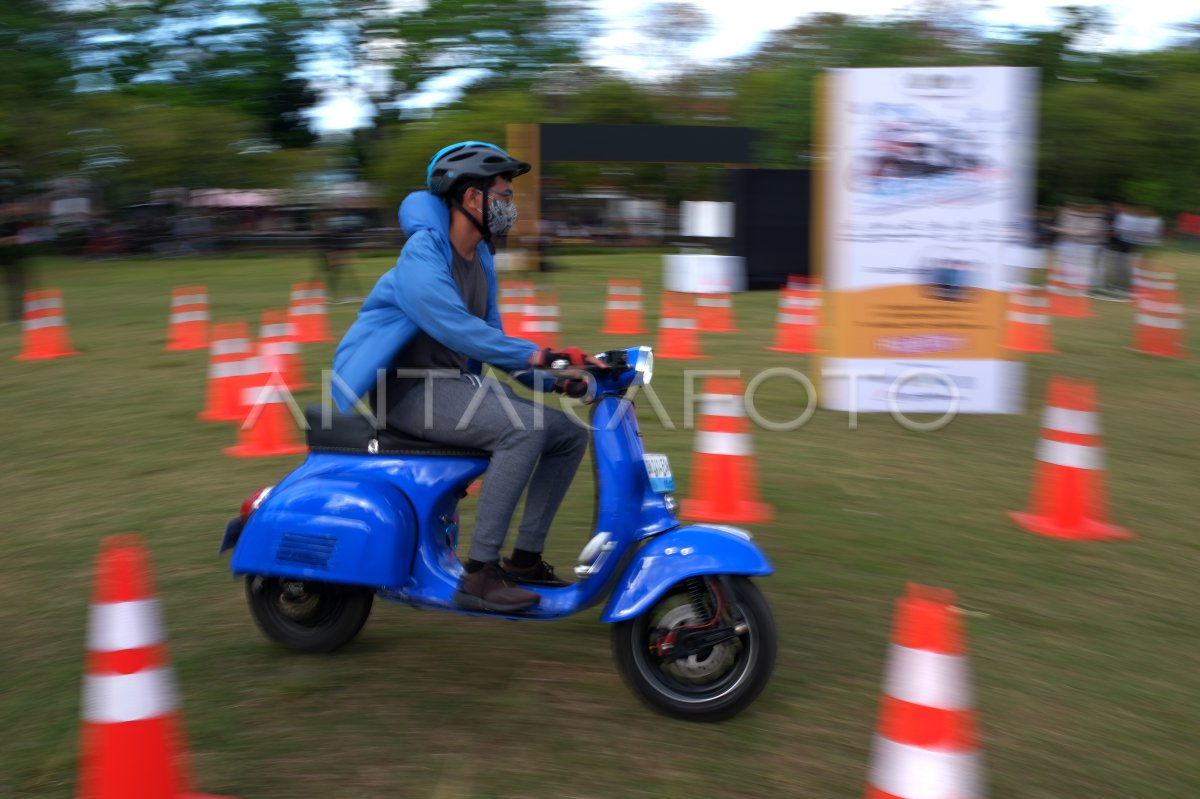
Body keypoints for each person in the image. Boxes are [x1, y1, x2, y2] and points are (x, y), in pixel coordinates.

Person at [330, 141, 593, 614]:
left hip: (454, 388)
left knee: (567, 433)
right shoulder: (422, 255)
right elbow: (457, 327)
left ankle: (526, 560)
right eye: (505, 196)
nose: (511, 206)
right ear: (473, 199)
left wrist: (559, 375)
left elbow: (494, 342)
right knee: (524, 430)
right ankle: (480, 574)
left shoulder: (482, 259)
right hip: (406, 391)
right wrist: (541, 356)